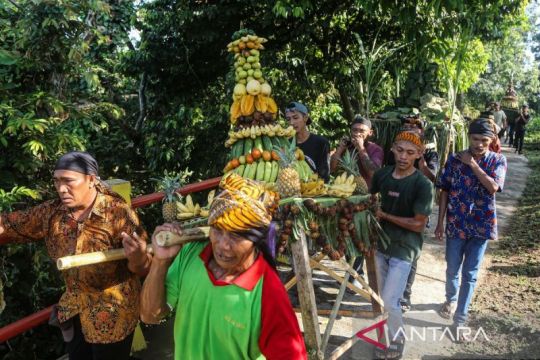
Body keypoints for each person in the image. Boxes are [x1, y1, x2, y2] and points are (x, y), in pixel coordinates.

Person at [0, 152, 150, 360]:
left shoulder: (117, 213)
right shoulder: (52, 213)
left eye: (68, 181)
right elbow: (9, 224)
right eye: (57, 181)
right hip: (75, 307)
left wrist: (138, 258)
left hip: (114, 312)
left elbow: (143, 267)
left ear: (91, 180)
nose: (61, 189)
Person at [140, 174, 307, 360]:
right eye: (218, 230)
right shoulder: (191, 253)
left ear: (256, 240)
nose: (223, 245)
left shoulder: (268, 292)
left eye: (235, 236)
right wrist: (160, 262)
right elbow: (149, 315)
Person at [435, 118, 507, 341]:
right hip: (456, 224)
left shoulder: (498, 160)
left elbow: (493, 187)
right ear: (469, 137)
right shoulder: (455, 159)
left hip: (481, 226)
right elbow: (444, 190)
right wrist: (440, 222)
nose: (479, 144)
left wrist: (473, 165)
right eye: (475, 139)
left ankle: (460, 320)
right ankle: (450, 299)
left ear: (492, 140)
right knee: (452, 268)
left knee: (470, 274)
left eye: (484, 140)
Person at [370, 131, 434, 359]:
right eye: (399, 150)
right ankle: (386, 337)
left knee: (390, 300)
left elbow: (418, 224)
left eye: (410, 152)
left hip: (405, 249)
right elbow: (369, 202)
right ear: (393, 149)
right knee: (381, 298)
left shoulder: (423, 184)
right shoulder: (383, 175)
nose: (403, 157)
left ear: (419, 154)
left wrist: (384, 215)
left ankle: (397, 339)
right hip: (380, 245)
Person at [386, 115, 439, 313]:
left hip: (416, 213)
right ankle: (391, 293)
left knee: (410, 255)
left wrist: (420, 159)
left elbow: (433, 177)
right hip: (394, 208)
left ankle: (405, 295)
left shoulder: (429, 155)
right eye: (407, 129)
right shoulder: (397, 153)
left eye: (415, 130)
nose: (410, 132)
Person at [330, 115, 384, 284]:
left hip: (365, 200)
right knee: (345, 236)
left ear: (370, 133)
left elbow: (373, 172)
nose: (358, 134)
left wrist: (361, 149)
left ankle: (356, 271)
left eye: (362, 131)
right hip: (345, 197)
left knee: (360, 238)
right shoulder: (346, 147)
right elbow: (332, 169)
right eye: (354, 130)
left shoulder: (376, 149)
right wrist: (339, 149)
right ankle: (352, 270)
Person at [285, 102, 330, 182]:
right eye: (288, 119)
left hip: (316, 190)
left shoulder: (321, 143)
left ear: (305, 118)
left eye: (295, 118)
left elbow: (324, 176)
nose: (291, 123)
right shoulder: (286, 144)